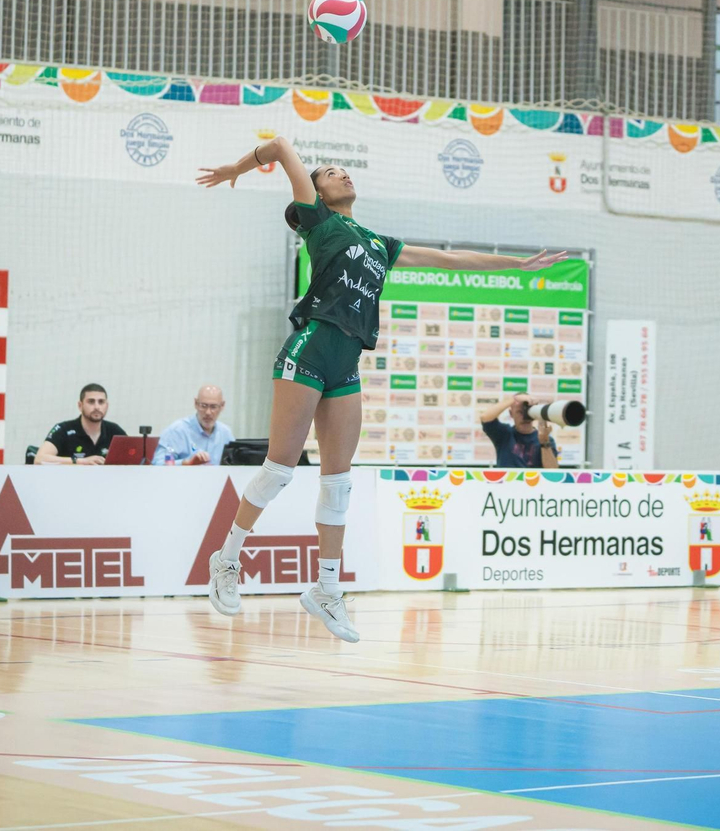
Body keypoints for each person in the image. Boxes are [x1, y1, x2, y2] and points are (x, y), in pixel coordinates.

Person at [196, 136, 569, 641]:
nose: (342, 173)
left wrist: (517, 267)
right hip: (308, 351)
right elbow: (281, 146)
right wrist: (235, 167)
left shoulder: (377, 243)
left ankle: (326, 589)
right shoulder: (319, 222)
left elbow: (447, 260)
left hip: (346, 363)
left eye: (343, 169)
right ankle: (227, 557)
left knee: (339, 483)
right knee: (279, 470)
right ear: (318, 193)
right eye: (330, 171)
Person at [35, 383, 127, 465]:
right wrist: (80, 461)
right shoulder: (63, 429)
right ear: (80, 405)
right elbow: (40, 459)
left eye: (101, 402)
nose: (97, 407)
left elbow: (136, 459)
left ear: (106, 406)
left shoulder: (115, 430)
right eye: (91, 402)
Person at [153, 385, 236, 466]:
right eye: (203, 406)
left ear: (222, 406)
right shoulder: (177, 431)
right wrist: (186, 464)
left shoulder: (226, 433)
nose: (208, 412)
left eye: (213, 407)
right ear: (196, 403)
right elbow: (158, 463)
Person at [477, 394, 559, 468]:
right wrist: (514, 399)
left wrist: (544, 442)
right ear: (511, 414)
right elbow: (485, 417)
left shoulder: (546, 439)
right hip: (508, 483)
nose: (524, 417)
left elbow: (553, 473)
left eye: (528, 412)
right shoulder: (504, 434)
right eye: (519, 412)